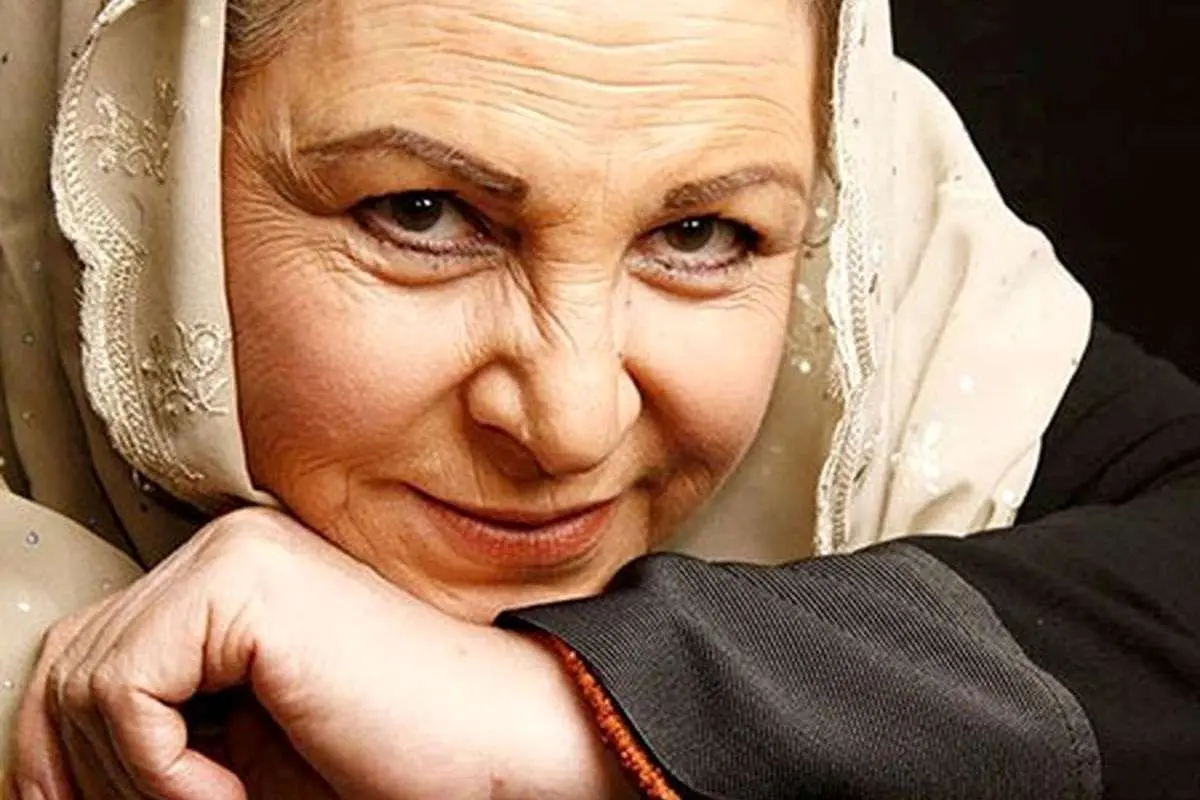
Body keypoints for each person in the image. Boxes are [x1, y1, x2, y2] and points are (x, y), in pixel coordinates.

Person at [1, 0, 1197, 797]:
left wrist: (558, 710)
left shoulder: (884, 299)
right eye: (422, 213)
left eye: (701, 232)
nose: (572, 425)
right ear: (141, 163)